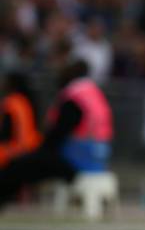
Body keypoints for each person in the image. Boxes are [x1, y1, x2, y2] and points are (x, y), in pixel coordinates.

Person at [0, 60, 113, 206]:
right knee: (31, 163)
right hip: (97, 158)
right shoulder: (92, 92)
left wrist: (41, 149)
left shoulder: (74, 97)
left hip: (76, 160)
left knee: (21, 166)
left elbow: (58, 135)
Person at [0, 72, 41, 168]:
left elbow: (6, 133)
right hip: (33, 145)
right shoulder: (25, 100)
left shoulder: (11, 102)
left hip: (17, 150)